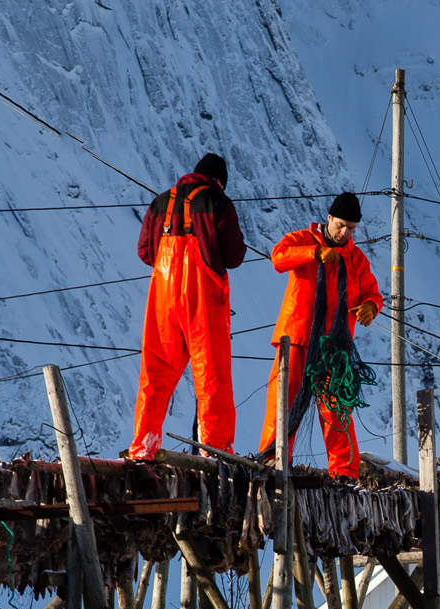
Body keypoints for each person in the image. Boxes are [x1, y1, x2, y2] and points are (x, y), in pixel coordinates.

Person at [127, 152, 246, 459]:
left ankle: (143, 448)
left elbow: (145, 252)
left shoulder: (160, 202)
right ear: (219, 182)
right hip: (201, 301)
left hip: (163, 297)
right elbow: (233, 256)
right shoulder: (219, 202)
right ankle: (216, 452)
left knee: (154, 376)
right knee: (211, 377)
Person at [257, 191, 382, 478]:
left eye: (351, 229)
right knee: (282, 406)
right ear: (328, 219)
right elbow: (279, 257)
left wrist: (370, 307)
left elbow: (372, 292)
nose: (344, 233)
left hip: (334, 349)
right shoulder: (301, 239)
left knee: (336, 413)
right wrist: (312, 253)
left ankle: (345, 474)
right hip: (296, 340)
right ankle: (272, 464)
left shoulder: (356, 259)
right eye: (341, 225)